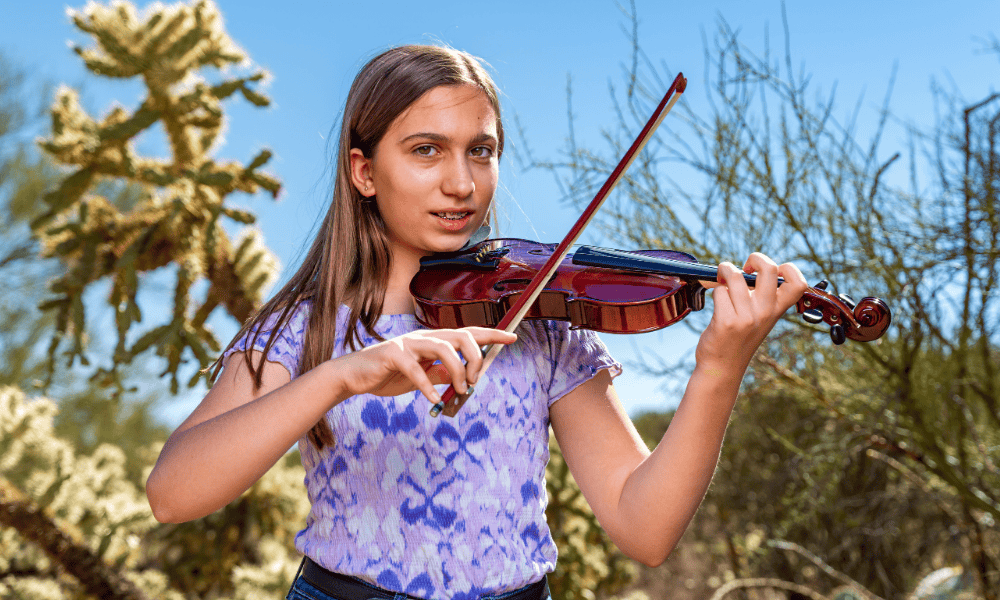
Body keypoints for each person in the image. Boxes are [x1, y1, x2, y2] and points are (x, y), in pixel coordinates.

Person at [145, 44, 809, 600]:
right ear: (364, 171)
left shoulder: (542, 321)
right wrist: (342, 376)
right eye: (427, 150)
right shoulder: (304, 327)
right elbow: (173, 495)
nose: (461, 183)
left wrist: (719, 369)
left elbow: (645, 528)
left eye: (481, 151)